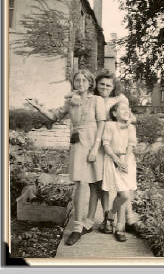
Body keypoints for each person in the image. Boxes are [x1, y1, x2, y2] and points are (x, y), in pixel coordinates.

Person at [26, 69, 106, 246]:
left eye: (84, 81)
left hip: (94, 143)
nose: (81, 83)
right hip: (78, 144)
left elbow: (101, 125)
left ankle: (89, 222)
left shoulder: (97, 100)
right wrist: (38, 107)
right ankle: (77, 227)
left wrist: (95, 148)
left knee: (95, 184)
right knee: (80, 183)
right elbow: (55, 116)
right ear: (74, 83)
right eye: (77, 80)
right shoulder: (71, 101)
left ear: (90, 83)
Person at [83, 70, 140, 235]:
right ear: (96, 84)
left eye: (108, 85)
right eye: (101, 84)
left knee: (124, 184)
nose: (105, 87)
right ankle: (108, 218)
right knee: (103, 184)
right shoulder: (92, 98)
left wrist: (118, 124)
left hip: (114, 142)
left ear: (113, 86)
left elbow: (131, 118)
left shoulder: (119, 99)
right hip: (97, 144)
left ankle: (128, 218)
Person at [102, 101, 137, 242]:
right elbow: (106, 145)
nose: (126, 110)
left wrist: (125, 160)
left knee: (125, 194)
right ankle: (114, 219)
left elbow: (131, 145)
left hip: (127, 161)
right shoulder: (110, 126)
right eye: (122, 109)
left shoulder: (131, 128)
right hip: (113, 160)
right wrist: (117, 160)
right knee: (124, 194)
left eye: (128, 109)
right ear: (114, 113)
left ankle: (118, 225)